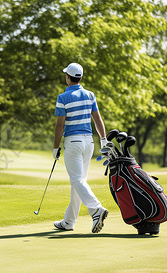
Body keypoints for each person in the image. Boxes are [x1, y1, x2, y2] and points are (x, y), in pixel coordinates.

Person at [52, 62, 108, 233]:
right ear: (80, 78)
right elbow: (98, 120)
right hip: (88, 143)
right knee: (78, 182)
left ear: (68, 77)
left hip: (73, 143)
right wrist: (103, 140)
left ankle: (96, 209)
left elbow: (60, 126)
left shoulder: (63, 98)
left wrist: (55, 148)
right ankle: (69, 221)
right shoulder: (90, 95)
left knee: (77, 180)